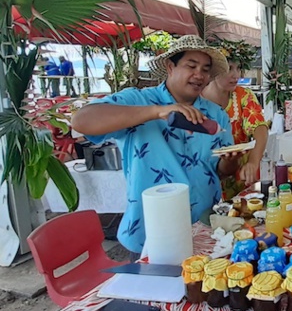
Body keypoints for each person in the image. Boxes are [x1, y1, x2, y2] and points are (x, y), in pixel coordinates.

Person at [72, 35, 239, 257]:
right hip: (150, 232)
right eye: (191, 66)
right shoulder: (138, 101)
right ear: (170, 67)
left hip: (204, 228)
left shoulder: (215, 114)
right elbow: (82, 121)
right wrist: (157, 112)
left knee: (206, 290)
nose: (199, 75)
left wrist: (232, 160)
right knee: (154, 291)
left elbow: (220, 172)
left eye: (205, 69)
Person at [202, 54, 268, 199]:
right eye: (229, 68)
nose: (235, 75)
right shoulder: (197, 101)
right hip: (207, 181)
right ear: (214, 70)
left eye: (238, 68)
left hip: (242, 176)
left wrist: (253, 162)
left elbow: (260, 128)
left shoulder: (243, 95)